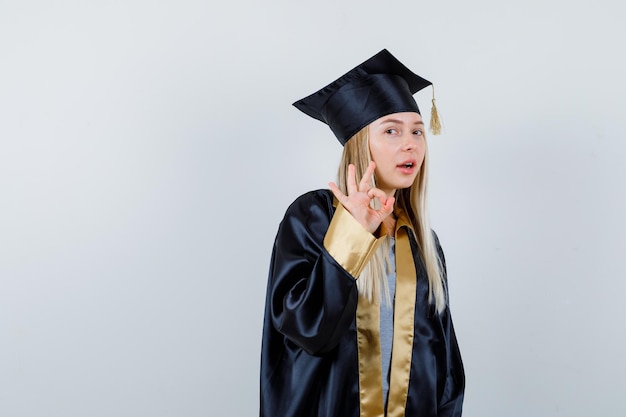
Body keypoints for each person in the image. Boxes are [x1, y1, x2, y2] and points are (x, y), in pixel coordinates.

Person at [260, 49, 465, 417]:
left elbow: (446, 366)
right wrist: (352, 235)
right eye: (392, 131)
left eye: (417, 131)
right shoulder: (313, 218)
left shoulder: (422, 242)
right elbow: (308, 332)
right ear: (359, 143)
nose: (411, 144)